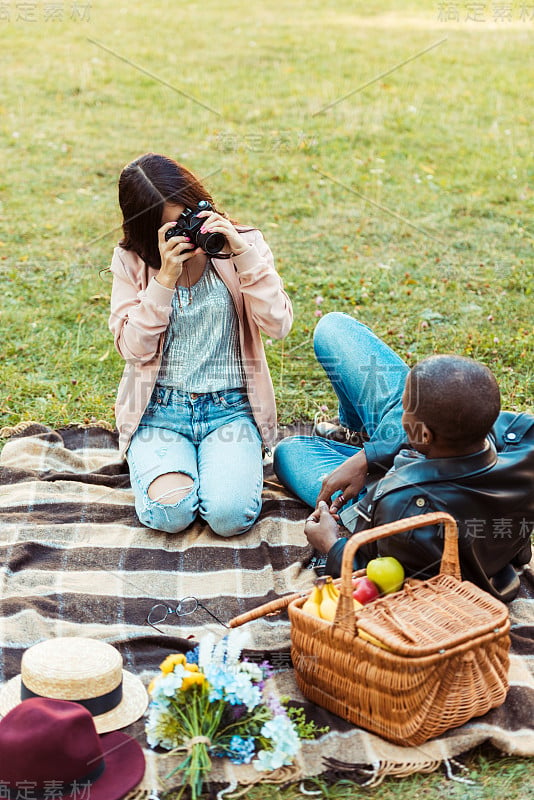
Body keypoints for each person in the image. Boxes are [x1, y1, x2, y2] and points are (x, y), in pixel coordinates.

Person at [273, 312, 533, 601]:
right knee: (333, 327)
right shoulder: (522, 441)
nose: (400, 413)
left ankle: (362, 444)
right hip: (427, 456)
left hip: (381, 493)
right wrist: (368, 456)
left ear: (421, 435)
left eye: (404, 409)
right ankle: (360, 440)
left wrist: (332, 544)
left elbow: (386, 580)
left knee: (287, 452)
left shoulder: (403, 516)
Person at [109, 153, 292, 536]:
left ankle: (201, 468)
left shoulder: (243, 245)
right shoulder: (132, 261)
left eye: (190, 216)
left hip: (231, 410)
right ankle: (163, 466)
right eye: (173, 229)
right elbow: (133, 348)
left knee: (229, 517)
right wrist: (164, 280)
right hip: (160, 412)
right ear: (147, 231)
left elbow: (278, 325)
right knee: (171, 513)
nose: (189, 235)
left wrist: (243, 254)